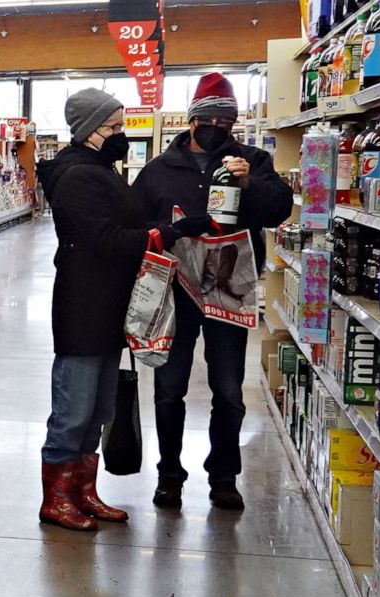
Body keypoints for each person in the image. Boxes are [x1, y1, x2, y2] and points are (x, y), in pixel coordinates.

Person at [35, 88, 212, 531]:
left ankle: (83, 493)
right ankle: (55, 500)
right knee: (73, 409)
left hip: (110, 303)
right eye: (112, 127)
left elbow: (128, 225)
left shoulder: (103, 170)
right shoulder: (77, 177)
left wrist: (170, 226)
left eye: (121, 126)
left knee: (98, 410)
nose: (121, 135)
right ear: (86, 131)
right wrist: (167, 235)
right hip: (83, 306)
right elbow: (107, 240)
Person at [133, 73, 294, 511]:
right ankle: (169, 474)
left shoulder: (253, 161)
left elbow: (278, 211)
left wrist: (249, 185)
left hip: (231, 291)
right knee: (168, 388)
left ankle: (224, 475)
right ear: (191, 122)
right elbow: (136, 227)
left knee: (228, 390)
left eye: (227, 121)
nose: (218, 128)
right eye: (209, 119)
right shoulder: (157, 171)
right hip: (175, 294)